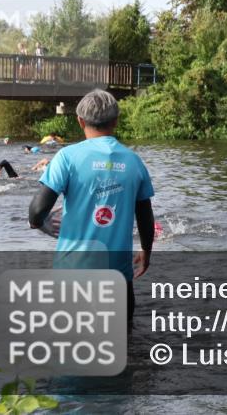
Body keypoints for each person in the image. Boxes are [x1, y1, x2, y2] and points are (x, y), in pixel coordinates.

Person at [28, 89, 155, 323]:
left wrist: (39, 224)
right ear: (116, 121)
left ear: (80, 121)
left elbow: (37, 210)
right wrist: (146, 251)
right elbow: (145, 215)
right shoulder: (134, 161)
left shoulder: (66, 157)